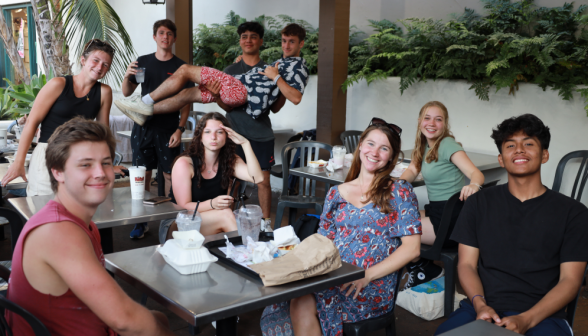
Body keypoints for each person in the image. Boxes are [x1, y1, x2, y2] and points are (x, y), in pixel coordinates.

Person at [5, 117, 174, 336]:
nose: (100, 173)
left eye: (105, 162)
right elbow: (126, 320)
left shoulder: (79, 222)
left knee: (158, 318)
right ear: (58, 172)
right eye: (85, 164)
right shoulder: (58, 231)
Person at [260, 118, 421, 336]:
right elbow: (324, 242)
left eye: (384, 148)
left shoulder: (399, 191)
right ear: (361, 145)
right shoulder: (337, 192)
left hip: (371, 284)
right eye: (371, 144)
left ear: (391, 156)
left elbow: (412, 249)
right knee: (292, 297)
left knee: (301, 303)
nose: (375, 152)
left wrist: (367, 275)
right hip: (333, 276)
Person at [435, 114, 588, 336]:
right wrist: (480, 304)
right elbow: (466, 265)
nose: (519, 150)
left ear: (544, 155)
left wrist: (526, 319)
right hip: (481, 308)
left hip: (544, 316)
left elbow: (570, 280)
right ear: (501, 159)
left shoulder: (573, 213)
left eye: (528, 143)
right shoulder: (478, 203)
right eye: (510, 145)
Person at [114, 23, 309, 126]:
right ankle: (143, 112)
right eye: (284, 41)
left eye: (291, 42)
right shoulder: (280, 63)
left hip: (240, 91)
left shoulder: (299, 67)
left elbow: (297, 98)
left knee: (185, 70)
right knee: (186, 95)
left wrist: (275, 77)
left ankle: (144, 102)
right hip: (237, 91)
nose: (286, 45)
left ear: (301, 44)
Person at [1, 39, 114, 196]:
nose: (99, 67)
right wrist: (18, 163)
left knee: (76, 214)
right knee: (43, 209)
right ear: (83, 60)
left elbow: (103, 135)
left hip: (80, 159)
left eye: (105, 64)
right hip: (48, 155)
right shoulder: (58, 84)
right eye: (95, 60)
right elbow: (31, 123)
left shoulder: (104, 92)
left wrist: (107, 165)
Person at [399, 101, 484, 290]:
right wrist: (396, 185)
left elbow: (476, 174)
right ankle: (418, 266)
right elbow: (412, 170)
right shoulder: (424, 145)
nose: (432, 123)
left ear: (445, 124)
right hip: (440, 210)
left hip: (450, 221)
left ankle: (425, 269)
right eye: (427, 118)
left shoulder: (447, 144)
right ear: (420, 121)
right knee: (395, 216)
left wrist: (474, 185)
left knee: (394, 225)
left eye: (438, 119)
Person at [120, 19, 193, 239]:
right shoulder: (142, 62)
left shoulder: (181, 67)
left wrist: (180, 129)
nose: (165, 37)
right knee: (141, 175)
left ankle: (171, 220)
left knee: (171, 174)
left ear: (174, 38)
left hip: (169, 127)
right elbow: (126, 92)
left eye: (169, 33)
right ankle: (141, 223)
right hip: (143, 126)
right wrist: (126, 74)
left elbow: (186, 101)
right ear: (155, 37)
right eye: (161, 33)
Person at [220, 21, 286, 232]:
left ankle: (266, 225)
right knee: (230, 181)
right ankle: (227, 222)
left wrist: (282, 86)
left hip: (261, 136)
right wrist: (216, 96)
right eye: (244, 36)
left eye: (253, 36)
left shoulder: (270, 70)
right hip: (233, 133)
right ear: (240, 41)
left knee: (263, 182)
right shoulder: (230, 70)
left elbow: (275, 108)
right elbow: (226, 107)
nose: (248, 40)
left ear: (261, 41)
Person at [159, 112, 264, 243]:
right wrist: (212, 204)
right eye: (207, 132)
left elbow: (257, 178)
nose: (213, 137)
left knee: (235, 218)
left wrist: (245, 143)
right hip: (178, 223)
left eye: (219, 132)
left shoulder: (230, 160)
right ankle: (246, 255)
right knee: (226, 215)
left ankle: (242, 252)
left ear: (227, 136)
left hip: (209, 221)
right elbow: (183, 206)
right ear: (200, 137)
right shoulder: (185, 163)